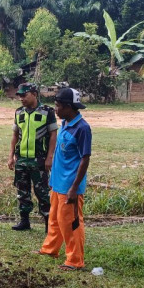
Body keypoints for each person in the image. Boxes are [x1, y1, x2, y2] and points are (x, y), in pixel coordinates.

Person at [39, 87, 91, 270]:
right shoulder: (65, 124)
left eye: (58, 106)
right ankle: (50, 249)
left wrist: (74, 188)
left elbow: (85, 158)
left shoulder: (82, 128)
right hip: (57, 183)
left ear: (69, 107)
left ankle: (75, 260)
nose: (56, 109)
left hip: (70, 186)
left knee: (71, 223)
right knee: (55, 219)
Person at [8, 82, 57, 231]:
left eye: (24, 95)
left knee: (42, 192)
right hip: (22, 159)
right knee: (22, 191)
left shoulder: (47, 111)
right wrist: (11, 156)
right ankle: (24, 221)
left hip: (39, 159)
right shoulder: (19, 112)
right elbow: (15, 135)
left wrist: (49, 157)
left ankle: (49, 223)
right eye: (20, 96)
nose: (21, 98)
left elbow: (53, 134)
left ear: (34, 94)